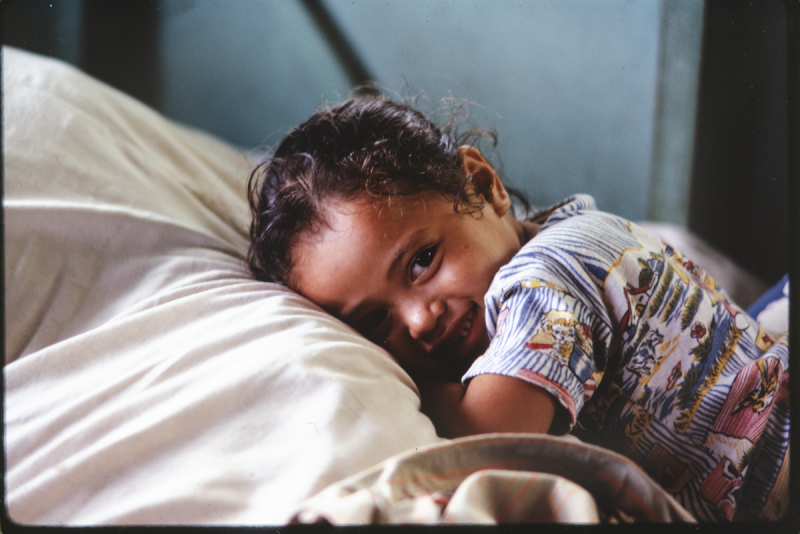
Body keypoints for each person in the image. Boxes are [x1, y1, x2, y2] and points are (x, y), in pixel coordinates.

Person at [246, 96, 789, 522]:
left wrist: (428, 390)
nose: (419, 320)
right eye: (374, 322)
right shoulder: (573, 226)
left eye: (422, 262)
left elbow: (491, 442)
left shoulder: (541, 281)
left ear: (484, 185)